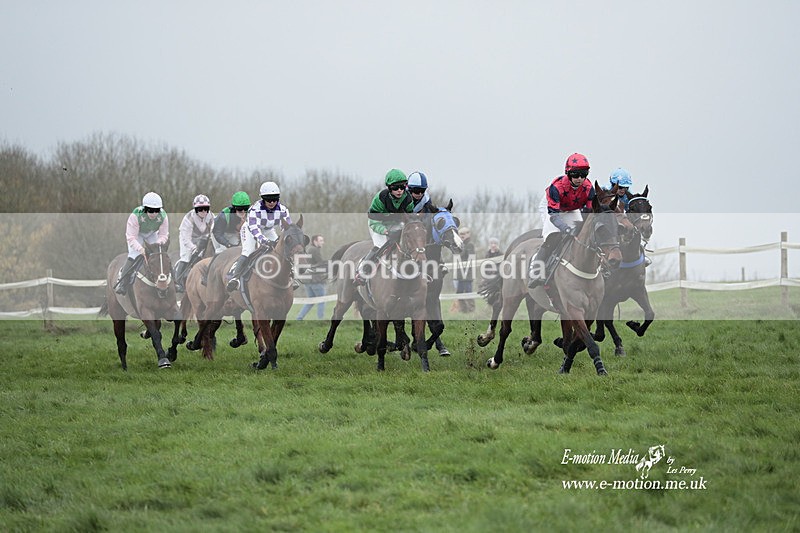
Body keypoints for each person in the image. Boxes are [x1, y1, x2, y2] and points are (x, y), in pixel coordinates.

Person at [528, 152, 596, 289]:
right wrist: (565, 229)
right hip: (553, 209)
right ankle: (536, 270)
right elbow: (553, 216)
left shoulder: (589, 188)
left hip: (572, 209)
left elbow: (588, 213)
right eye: (576, 174)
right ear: (568, 173)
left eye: (584, 174)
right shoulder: (556, 187)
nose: (580, 178)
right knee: (553, 237)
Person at [226, 181, 292, 291]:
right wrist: (264, 241)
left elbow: (287, 227)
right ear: (262, 199)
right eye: (268, 199)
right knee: (248, 251)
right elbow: (254, 229)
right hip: (250, 230)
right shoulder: (254, 209)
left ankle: (290, 275)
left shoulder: (283, 210)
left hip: (268, 230)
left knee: (282, 249)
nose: (271, 202)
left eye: (274, 199)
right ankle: (235, 277)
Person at [355, 169, 414, 285]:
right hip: (378, 224)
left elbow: (409, 219)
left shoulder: (408, 199)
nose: (399, 191)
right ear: (389, 188)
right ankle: (362, 271)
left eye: (402, 187)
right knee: (380, 245)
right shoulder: (380, 199)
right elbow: (373, 220)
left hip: (396, 224)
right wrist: (385, 231)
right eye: (395, 188)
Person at [114, 192, 169, 295]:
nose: (153, 213)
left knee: (159, 256)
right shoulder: (135, 215)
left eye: (156, 210)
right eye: (150, 210)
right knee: (134, 255)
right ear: (144, 209)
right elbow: (131, 237)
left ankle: (173, 281)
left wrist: (156, 245)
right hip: (137, 235)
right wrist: (141, 249)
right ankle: (123, 282)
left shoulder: (163, 216)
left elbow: (164, 235)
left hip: (152, 234)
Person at [174, 194, 214, 293]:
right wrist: (193, 248)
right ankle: (178, 282)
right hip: (188, 239)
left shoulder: (211, 216)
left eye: (206, 208)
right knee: (186, 257)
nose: (203, 211)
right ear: (195, 209)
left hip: (203, 238)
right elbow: (186, 238)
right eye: (200, 209)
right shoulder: (188, 218)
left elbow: (214, 233)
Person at [296, 234, 327, 320]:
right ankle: (320, 319)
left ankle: (299, 317)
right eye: (320, 241)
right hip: (316, 280)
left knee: (310, 301)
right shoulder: (315, 250)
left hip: (307, 280)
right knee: (321, 300)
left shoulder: (309, 249)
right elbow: (321, 263)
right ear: (315, 241)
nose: (322, 243)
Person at [454, 226, 476, 313]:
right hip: (460, 273)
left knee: (468, 292)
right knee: (459, 292)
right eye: (460, 234)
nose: (462, 236)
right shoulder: (461, 244)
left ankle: (471, 310)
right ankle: (463, 310)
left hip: (467, 273)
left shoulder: (469, 245)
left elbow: (470, 258)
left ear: (468, 234)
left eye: (464, 234)